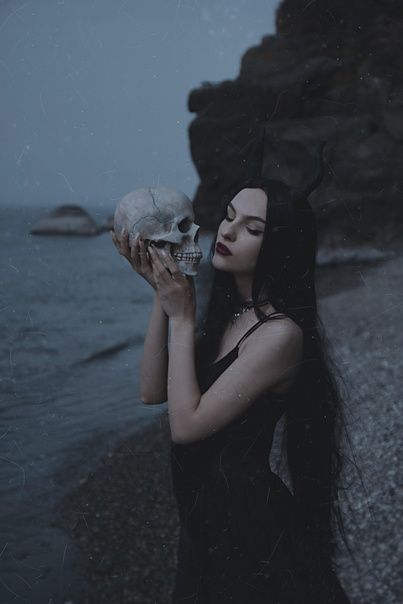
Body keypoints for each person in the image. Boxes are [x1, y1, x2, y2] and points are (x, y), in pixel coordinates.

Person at [111, 176, 353, 603]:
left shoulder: (279, 335)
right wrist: (161, 294)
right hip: (204, 518)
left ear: (280, 246)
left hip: (246, 522)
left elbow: (185, 426)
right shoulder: (228, 315)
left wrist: (182, 318)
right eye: (228, 217)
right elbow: (151, 392)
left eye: (252, 228)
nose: (227, 231)